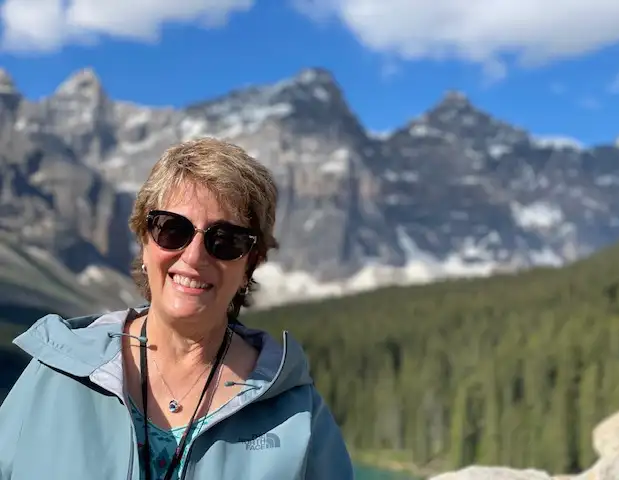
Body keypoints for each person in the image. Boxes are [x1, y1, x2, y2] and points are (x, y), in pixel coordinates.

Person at [0, 137, 354, 480]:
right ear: (144, 239)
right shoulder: (55, 373)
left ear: (251, 262)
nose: (194, 256)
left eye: (225, 241)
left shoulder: (298, 415)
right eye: (172, 229)